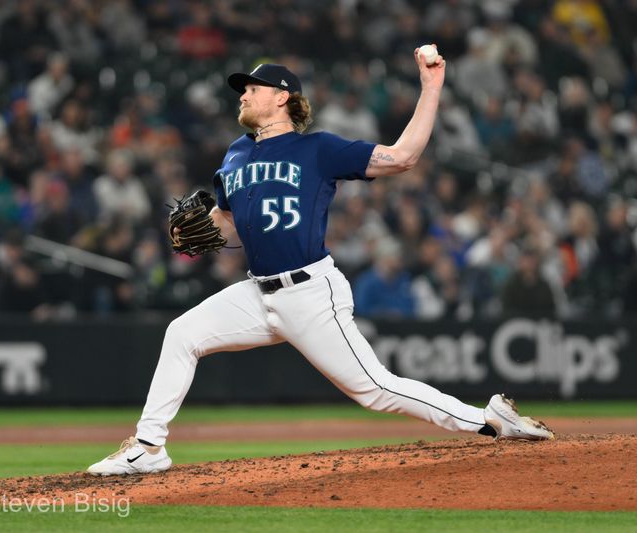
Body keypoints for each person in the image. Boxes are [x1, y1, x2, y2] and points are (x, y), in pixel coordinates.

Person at [87, 50, 554, 477]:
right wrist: (194, 234)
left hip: (310, 292)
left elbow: (403, 157)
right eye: (243, 88)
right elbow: (225, 224)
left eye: (252, 87)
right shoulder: (235, 154)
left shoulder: (318, 149)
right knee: (182, 334)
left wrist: (431, 87)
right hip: (257, 291)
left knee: (374, 389)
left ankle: (489, 420)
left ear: (283, 97)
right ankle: (149, 446)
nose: (244, 93)